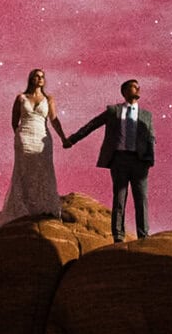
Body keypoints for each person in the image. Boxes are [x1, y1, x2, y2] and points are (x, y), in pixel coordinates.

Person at [64, 78, 153, 241]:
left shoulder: (146, 115)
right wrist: (73, 139)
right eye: (133, 87)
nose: (137, 89)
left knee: (141, 199)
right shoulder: (113, 111)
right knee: (119, 197)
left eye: (138, 87)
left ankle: (144, 235)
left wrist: (149, 160)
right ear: (124, 92)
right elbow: (93, 124)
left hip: (139, 161)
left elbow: (150, 137)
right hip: (119, 159)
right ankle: (118, 235)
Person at [0, 67, 68, 224]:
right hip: (25, 136)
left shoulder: (49, 99)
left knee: (43, 169)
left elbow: (54, 120)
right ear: (31, 79)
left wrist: (63, 138)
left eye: (42, 76)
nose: (40, 79)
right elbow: (14, 121)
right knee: (24, 170)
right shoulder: (21, 98)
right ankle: (24, 207)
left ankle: (44, 207)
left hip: (42, 136)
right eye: (36, 76)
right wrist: (19, 136)